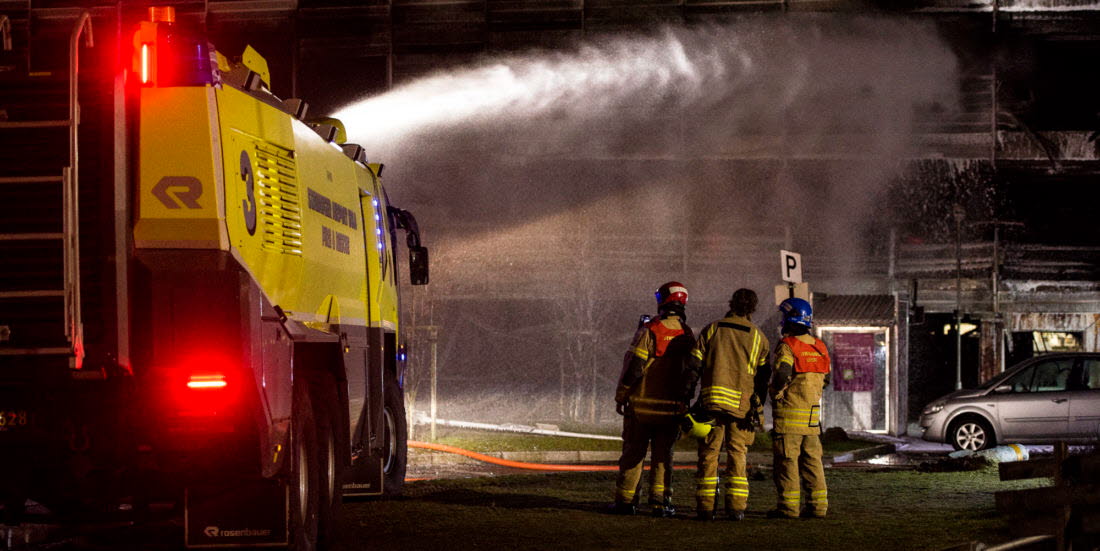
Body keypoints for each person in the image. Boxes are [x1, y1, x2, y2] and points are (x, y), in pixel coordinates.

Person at [683, 288, 770, 521]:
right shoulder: (759, 337)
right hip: (741, 409)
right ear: (752, 308)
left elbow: (693, 366)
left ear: (731, 304)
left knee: (709, 455)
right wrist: (757, 406)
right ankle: (736, 508)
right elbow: (762, 380)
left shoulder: (712, 329)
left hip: (711, 404)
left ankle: (705, 507)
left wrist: (688, 397)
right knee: (738, 455)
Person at [610, 281, 695, 517]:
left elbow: (634, 368)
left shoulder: (650, 331)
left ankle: (626, 502)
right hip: (670, 410)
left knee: (634, 453)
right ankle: (660, 502)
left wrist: (622, 394)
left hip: (642, 407)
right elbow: (691, 373)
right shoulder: (687, 335)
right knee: (663, 457)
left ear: (662, 301)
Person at [768, 297, 831, 519]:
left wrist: (776, 391)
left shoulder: (788, 346)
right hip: (813, 419)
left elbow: (783, 373)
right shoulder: (820, 347)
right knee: (813, 462)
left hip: (789, 417)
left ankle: (788, 508)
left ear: (788, 318)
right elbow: (827, 380)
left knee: (788, 463)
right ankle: (818, 507)